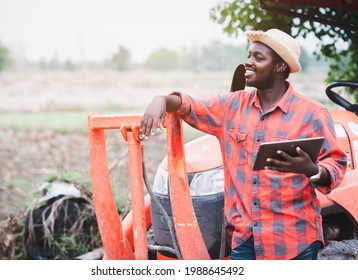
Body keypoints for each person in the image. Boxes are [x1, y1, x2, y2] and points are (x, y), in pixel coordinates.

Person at [139, 28, 347, 260]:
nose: (248, 62)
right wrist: (162, 100)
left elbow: (336, 164)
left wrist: (311, 170)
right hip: (245, 238)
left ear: (280, 67)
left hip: (293, 242)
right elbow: (191, 106)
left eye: (258, 58)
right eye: (249, 55)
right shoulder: (231, 107)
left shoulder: (312, 114)